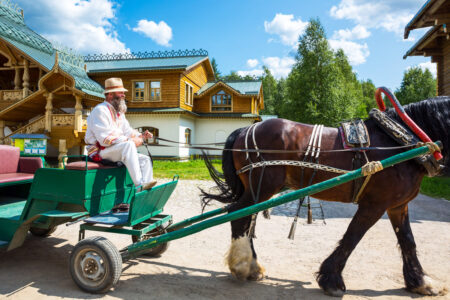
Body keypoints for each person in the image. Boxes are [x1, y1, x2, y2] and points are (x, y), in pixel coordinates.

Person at [85, 77, 157, 190]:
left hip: (114, 149)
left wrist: (141, 136)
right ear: (110, 95)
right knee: (128, 146)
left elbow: (128, 131)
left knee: (145, 160)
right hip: (100, 152)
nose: (124, 95)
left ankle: (145, 192)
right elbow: (104, 140)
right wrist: (131, 141)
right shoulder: (100, 110)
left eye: (123, 92)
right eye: (120, 92)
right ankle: (139, 185)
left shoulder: (119, 113)